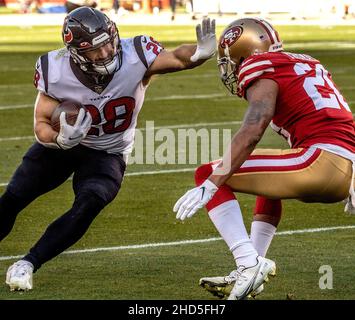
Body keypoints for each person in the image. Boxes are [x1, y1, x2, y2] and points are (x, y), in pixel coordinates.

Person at [0, 7, 216, 291]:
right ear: (76, 51)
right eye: (95, 50)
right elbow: (41, 122)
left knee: (90, 203)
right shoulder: (55, 67)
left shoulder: (135, 53)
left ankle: (28, 263)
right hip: (62, 146)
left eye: (108, 44)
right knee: (14, 197)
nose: (105, 54)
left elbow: (176, 57)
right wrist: (59, 139)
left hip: (108, 152)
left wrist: (198, 54)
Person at [173, 17, 355, 300]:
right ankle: (252, 264)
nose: (232, 68)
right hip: (346, 167)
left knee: (209, 172)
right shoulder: (307, 62)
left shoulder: (260, 63)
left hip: (320, 161)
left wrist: (212, 183)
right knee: (269, 183)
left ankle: (248, 262)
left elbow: (255, 125)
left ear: (246, 51)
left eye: (232, 60)